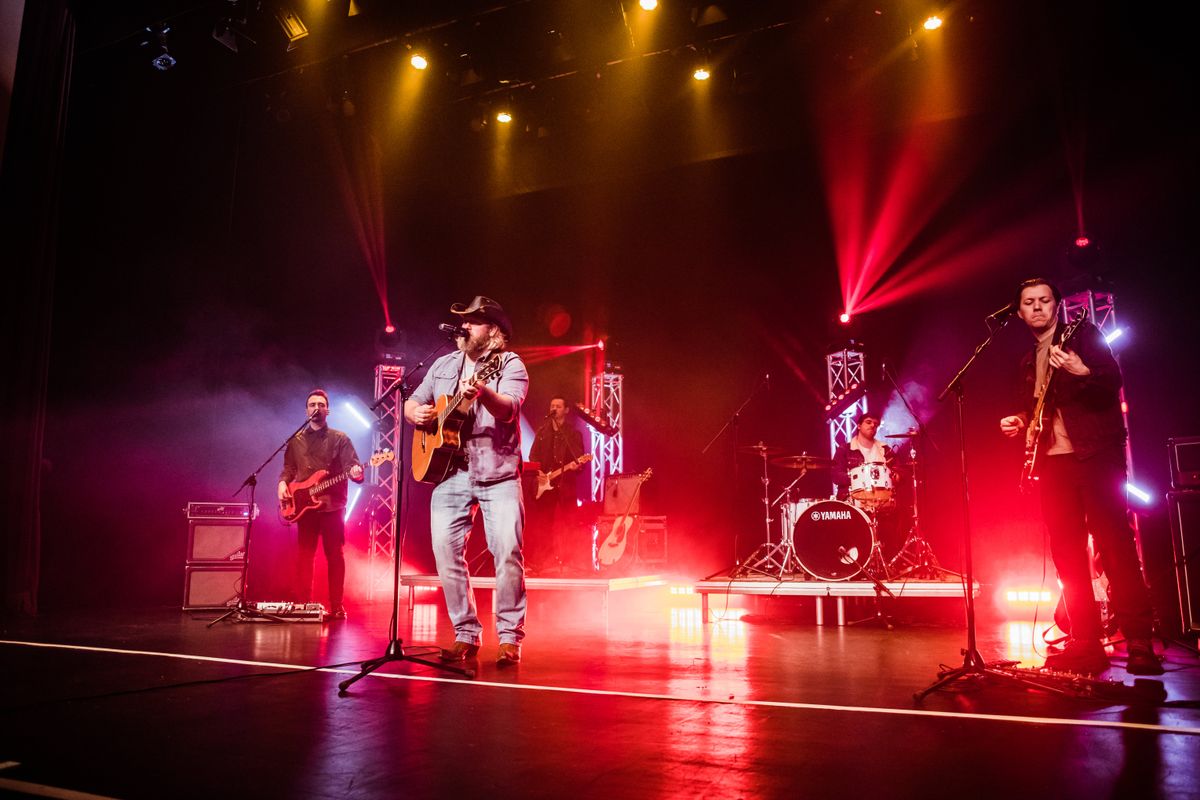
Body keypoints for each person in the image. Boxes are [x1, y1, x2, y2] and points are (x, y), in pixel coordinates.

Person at [999, 277, 1161, 675]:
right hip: (1053, 465)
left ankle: (1140, 642)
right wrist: (1019, 421)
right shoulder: (1026, 361)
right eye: (1029, 303)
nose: (1037, 307)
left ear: (1056, 305)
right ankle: (1086, 642)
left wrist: (1081, 368)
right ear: (1019, 312)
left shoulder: (1082, 335)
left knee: (1115, 545)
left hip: (1096, 455)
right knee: (1067, 556)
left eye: (1044, 300)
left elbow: (1112, 381)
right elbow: (1033, 407)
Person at [405, 296, 529, 665]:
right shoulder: (443, 364)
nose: (464, 327)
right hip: (450, 471)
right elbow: (413, 401)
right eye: (462, 321)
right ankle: (466, 633)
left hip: (498, 472)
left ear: (493, 330)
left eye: (473, 321)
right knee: (445, 551)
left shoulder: (510, 364)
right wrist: (417, 413)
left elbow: (509, 408)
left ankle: (509, 637)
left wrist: (484, 393)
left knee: (507, 552)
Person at [278, 389, 363, 620]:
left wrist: (355, 473)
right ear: (307, 410)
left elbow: (352, 468)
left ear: (328, 410)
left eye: (321, 404)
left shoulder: (340, 438)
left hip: (332, 506)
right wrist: (283, 483)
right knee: (305, 555)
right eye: (312, 404)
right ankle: (303, 603)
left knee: (334, 555)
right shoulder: (295, 440)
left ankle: (336, 605)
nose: (316, 407)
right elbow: (289, 469)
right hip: (303, 505)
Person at [528, 396, 586, 573]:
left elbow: (579, 459)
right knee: (545, 523)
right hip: (546, 483)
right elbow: (533, 457)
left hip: (565, 483)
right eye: (552, 406)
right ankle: (544, 562)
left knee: (570, 523)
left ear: (566, 410)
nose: (554, 408)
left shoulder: (573, 434)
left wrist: (576, 466)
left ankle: (571, 562)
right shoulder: (542, 433)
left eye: (558, 406)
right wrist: (538, 473)